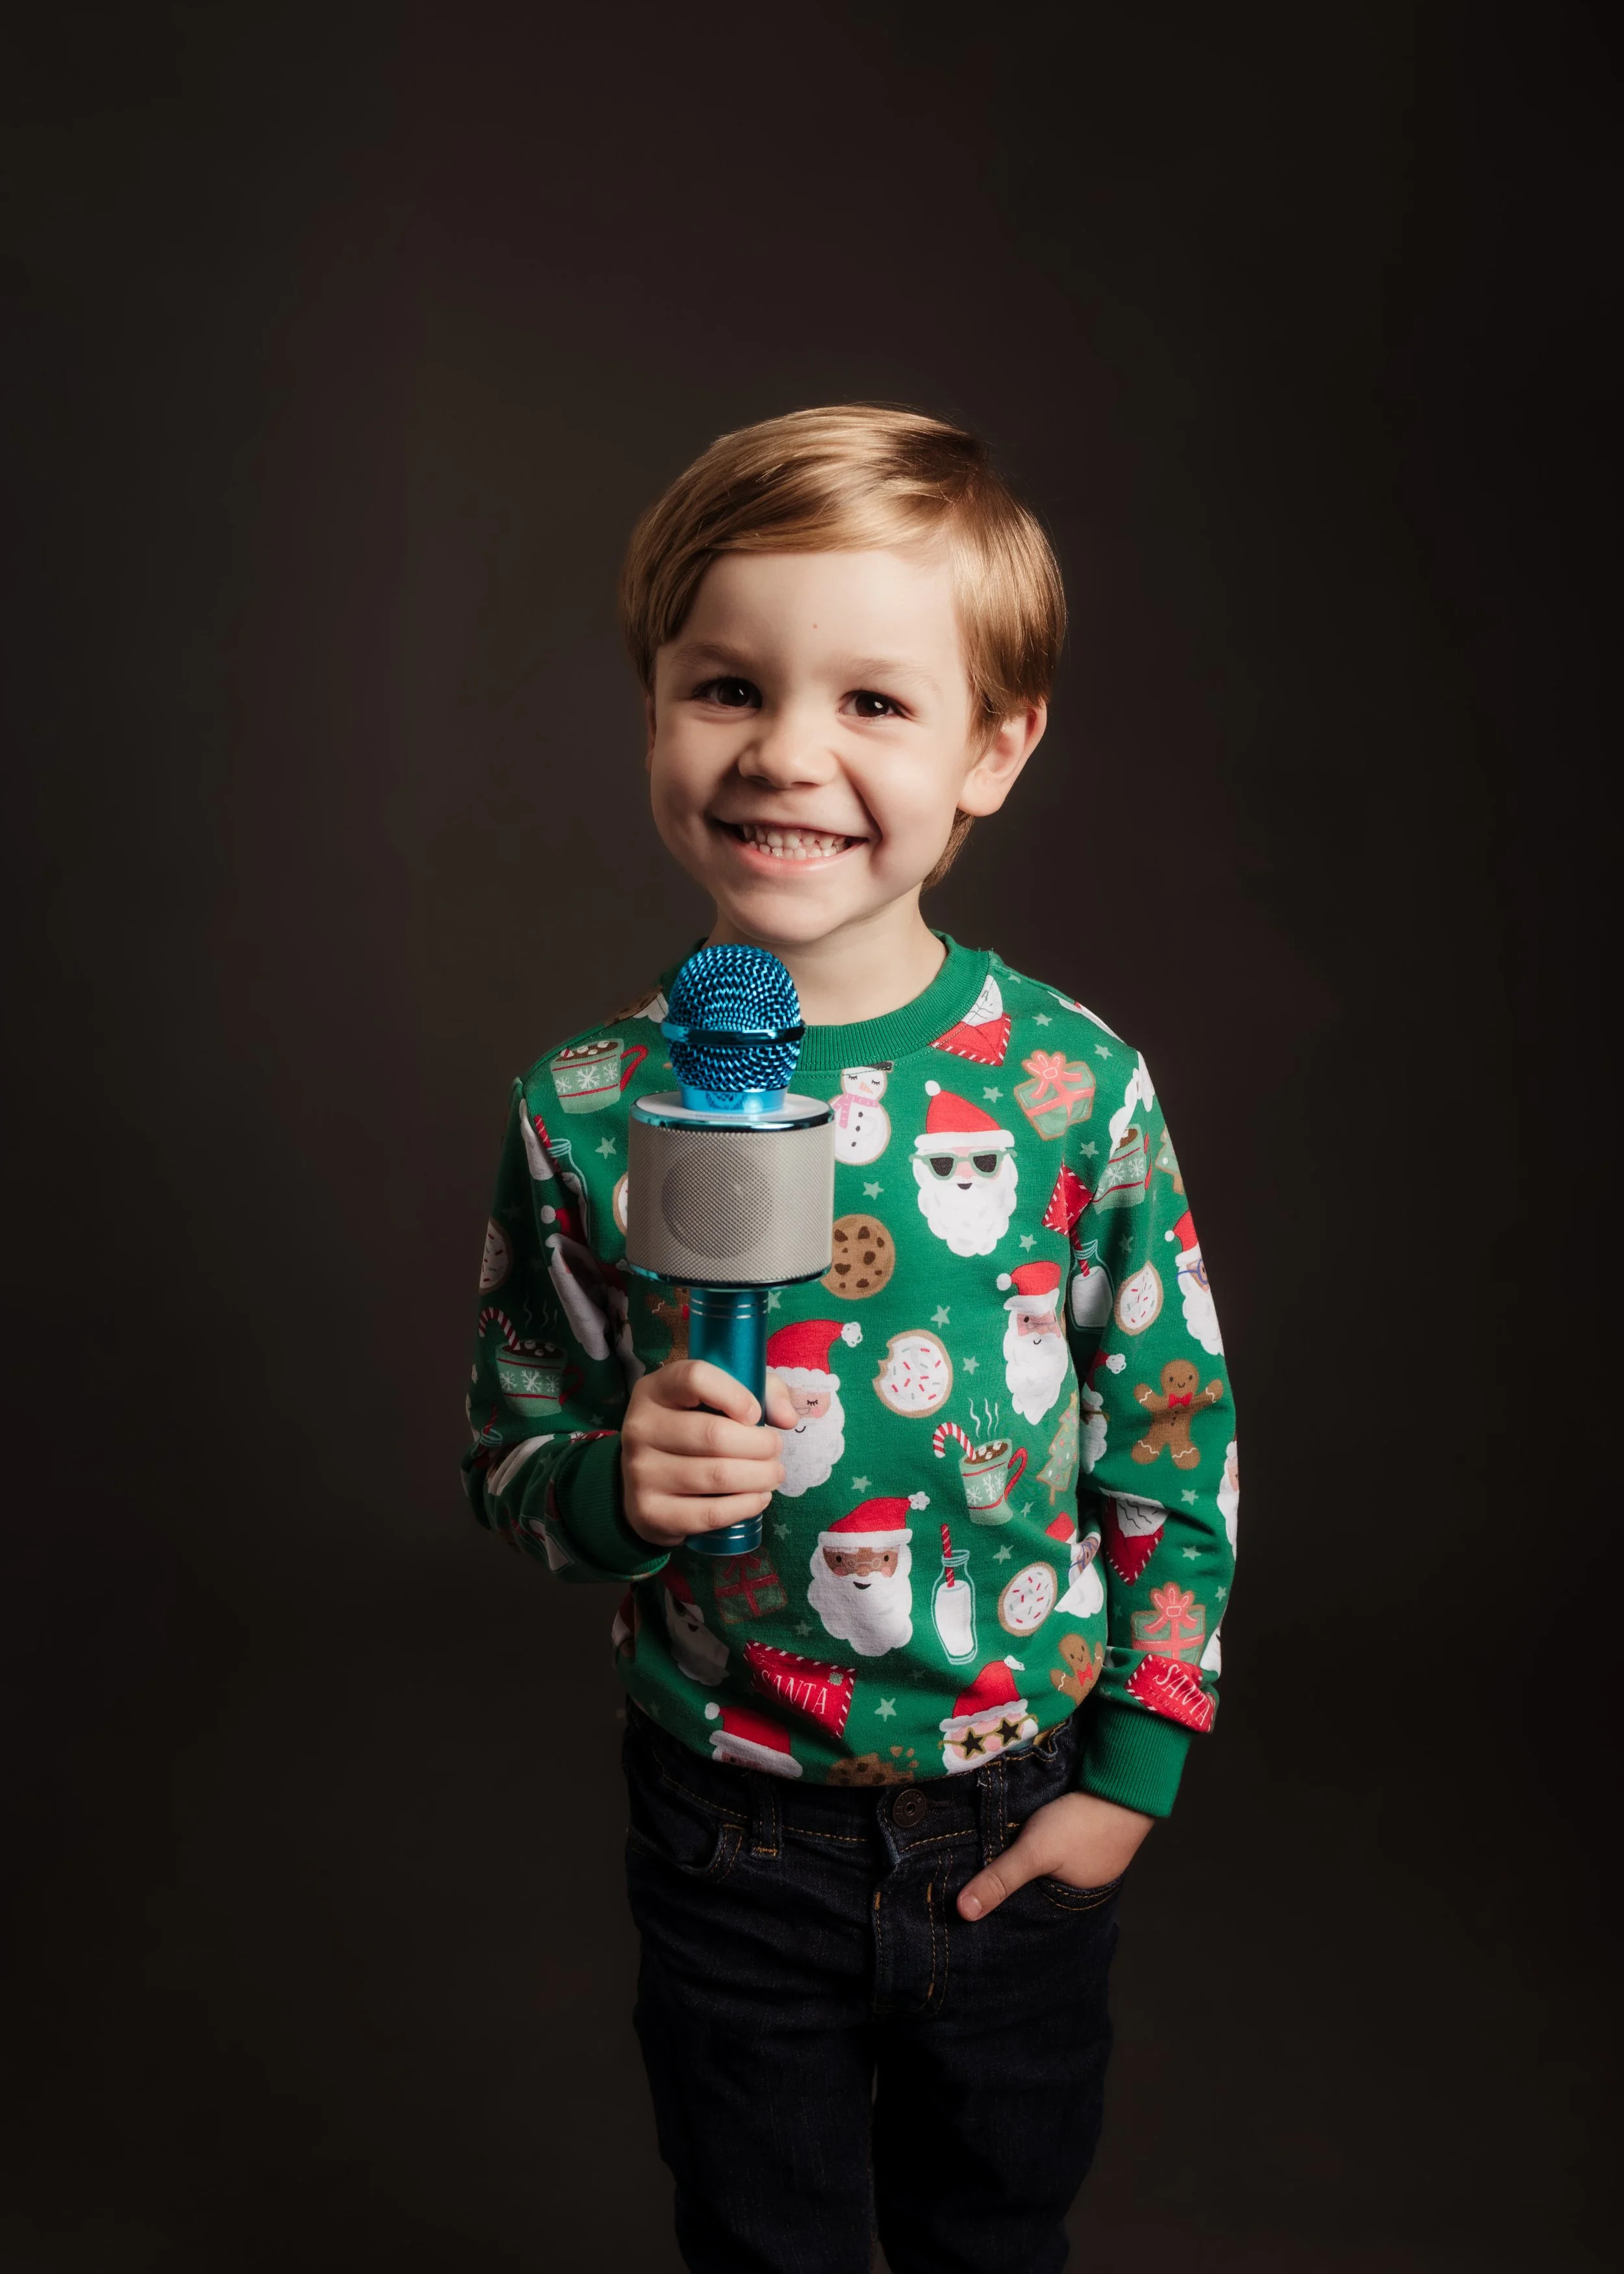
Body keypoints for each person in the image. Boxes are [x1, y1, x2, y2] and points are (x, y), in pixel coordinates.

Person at [460, 405, 1239, 2273]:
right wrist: (608, 1482)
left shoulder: (1065, 1084)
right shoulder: (584, 1102)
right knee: (765, 2238)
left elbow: (1170, 1429)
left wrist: (1132, 1768)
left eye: (873, 705)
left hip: (1016, 1800)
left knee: (992, 2225)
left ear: (994, 748)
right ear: (655, 708)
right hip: (729, 1823)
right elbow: (508, 1445)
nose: (784, 752)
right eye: (725, 685)